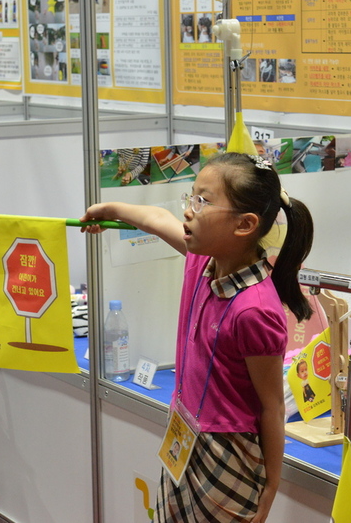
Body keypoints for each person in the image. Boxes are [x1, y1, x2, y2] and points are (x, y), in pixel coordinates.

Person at [81, 152, 315, 522]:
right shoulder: (202, 261)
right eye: (191, 197)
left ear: (245, 225)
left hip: (228, 455)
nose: (189, 210)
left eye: (203, 202)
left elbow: (272, 407)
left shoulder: (254, 310)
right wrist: (109, 209)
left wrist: (270, 487)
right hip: (184, 435)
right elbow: (158, 219)